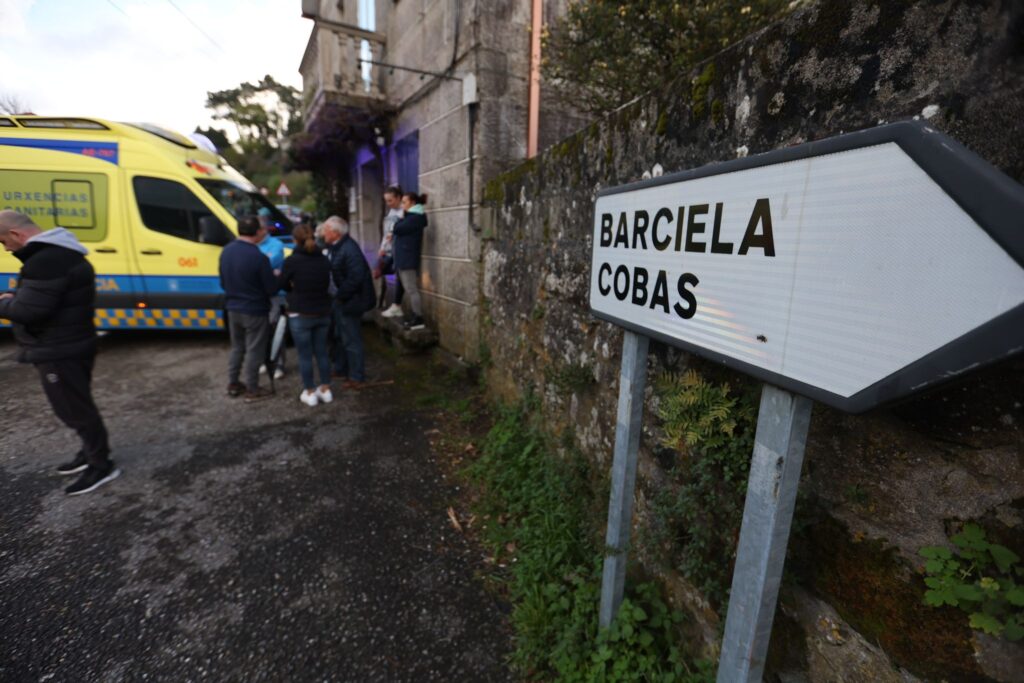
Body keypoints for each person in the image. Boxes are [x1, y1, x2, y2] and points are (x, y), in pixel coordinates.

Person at [0, 210, 120, 495]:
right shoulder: (63, 252)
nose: (5, 248)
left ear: (16, 235)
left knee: (74, 410)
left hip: (59, 349)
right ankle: (90, 452)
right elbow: (48, 300)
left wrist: (6, 302)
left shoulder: (45, 261)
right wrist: (16, 299)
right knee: (78, 404)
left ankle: (101, 464)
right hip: (71, 343)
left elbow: (28, 311)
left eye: (3, 241)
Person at [219, 215, 278, 401]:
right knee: (254, 350)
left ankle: (233, 383)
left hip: (232, 308)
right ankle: (253, 389)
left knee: (237, 348)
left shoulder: (226, 252)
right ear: (258, 232)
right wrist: (276, 275)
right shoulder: (258, 257)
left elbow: (222, 281)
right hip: (254, 310)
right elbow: (271, 289)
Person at [278, 224, 333, 406]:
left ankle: (309, 392)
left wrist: (292, 286)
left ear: (295, 240)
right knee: (322, 353)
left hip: (300, 313)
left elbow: (283, 284)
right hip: (323, 311)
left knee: (304, 355)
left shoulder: (292, 261)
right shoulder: (324, 260)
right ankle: (326, 390)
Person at [322, 215, 375, 388]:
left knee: (351, 339)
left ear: (335, 233)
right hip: (342, 299)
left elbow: (355, 278)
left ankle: (357, 376)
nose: (323, 233)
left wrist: (340, 296)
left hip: (350, 301)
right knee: (339, 336)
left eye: (326, 230)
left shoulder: (349, 249)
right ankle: (341, 368)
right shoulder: (337, 246)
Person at [256, 207, 287, 379]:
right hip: (257, 295)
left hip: (274, 295)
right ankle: (263, 361)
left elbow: (270, 263)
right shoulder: (252, 245)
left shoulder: (276, 245)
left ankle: (278, 364)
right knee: (260, 330)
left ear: (264, 230)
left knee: (275, 329)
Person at [392, 191, 429, 330]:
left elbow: (397, 228)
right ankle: (415, 316)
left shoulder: (415, 218)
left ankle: (418, 318)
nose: (402, 205)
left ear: (412, 203)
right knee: (409, 288)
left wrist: (400, 219)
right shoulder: (412, 217)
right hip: (404, 258)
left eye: (404, 202)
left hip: (407, 258)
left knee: (411, 289)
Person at [377, 185, 405, 315]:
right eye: (386, 201)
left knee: (400, 276)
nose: (388, 204)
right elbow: (387, 233)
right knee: (378, 270)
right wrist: (382, 247)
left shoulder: (404, 212)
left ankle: (396, 305)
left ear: (399, 198)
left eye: (390, 200)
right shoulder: (392, 212)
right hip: (389, 250)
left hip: (400, 249)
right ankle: (387, 302)